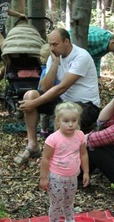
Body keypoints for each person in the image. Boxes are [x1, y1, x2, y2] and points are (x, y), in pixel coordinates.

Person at [15, 28, 100, 164]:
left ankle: (60, 158)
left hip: (86, 105)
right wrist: (54, 63)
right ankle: (32, 146)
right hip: (64, 102)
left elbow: (62, 87)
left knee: (61, 115)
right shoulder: (54, 57)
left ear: (66, 41)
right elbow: (44, 87)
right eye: (50, 44)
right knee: (30, 95)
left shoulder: (81, 56)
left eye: (55, 44)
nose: (52, 48)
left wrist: (35, 103)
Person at [39, 102, 89, 222]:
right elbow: (46, 159)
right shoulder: (53, 139)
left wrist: (86, 172)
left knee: (69, 200)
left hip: (72, 176)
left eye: (74, 120)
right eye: (66, 121)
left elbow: (83, 154)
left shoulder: (79, 136)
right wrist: (44, 178)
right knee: (56, 202)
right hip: (56, 177)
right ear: (58, 121)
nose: (71, 124)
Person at [38, 43, 53, 139]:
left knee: (44, 115)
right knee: (45, 115)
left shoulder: (48, 69)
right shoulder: (43, 68)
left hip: (46, 94)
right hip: (43, 93)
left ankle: (44, 130)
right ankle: (44, 129)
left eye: (43, 57)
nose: (40, 58)